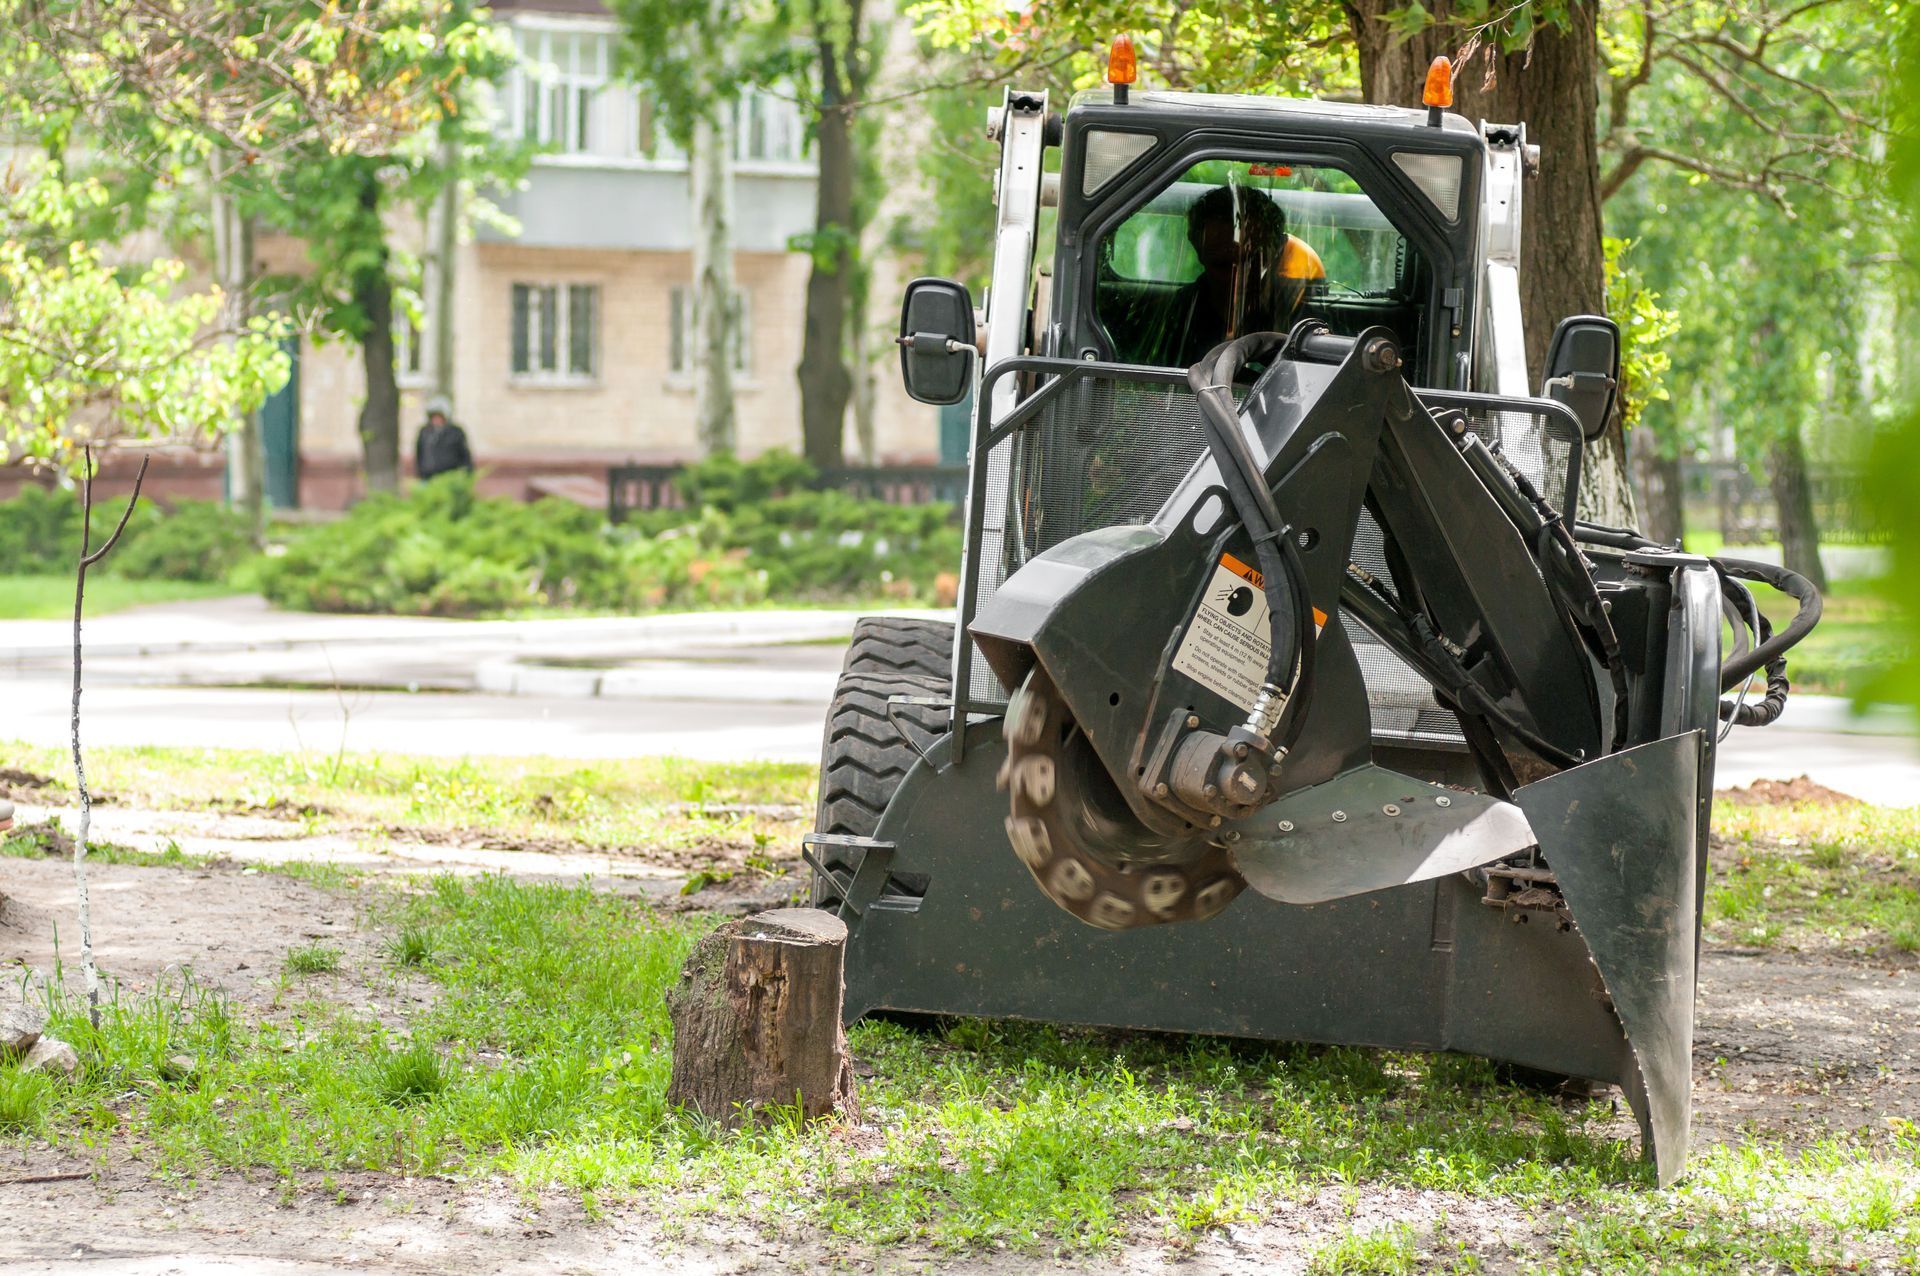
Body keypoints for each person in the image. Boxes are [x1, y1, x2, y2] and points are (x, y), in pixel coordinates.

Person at [1168, 183, 1325, 367]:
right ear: (1199, 253)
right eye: (1223, 265)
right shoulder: (1178, 314)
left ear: (1274, 254)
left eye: (1251, 261)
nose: (1238, 276)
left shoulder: (1303, 322)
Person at [414, 396, 473, 482]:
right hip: (427, 476)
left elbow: (465, 454)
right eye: (433, 417)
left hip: (449, 476)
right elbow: (419, 453)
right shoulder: (425, 432)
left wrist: (467, 471)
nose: (436, 420)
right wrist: (420, 472)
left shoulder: (455, 432)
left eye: (439, 416)